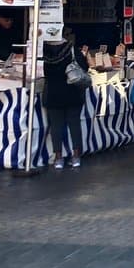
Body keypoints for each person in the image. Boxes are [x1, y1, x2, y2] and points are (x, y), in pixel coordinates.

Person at [42, 29, 89, 170]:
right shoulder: (72, 49)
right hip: (72, 92)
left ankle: (58, 158)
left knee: (56, 127)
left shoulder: (43, 51)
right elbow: (85, 67)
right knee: (74, 124)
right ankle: (76, 156)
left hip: (52, 94)